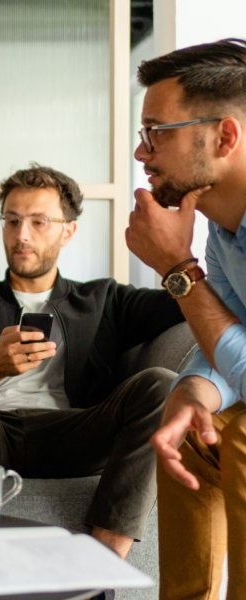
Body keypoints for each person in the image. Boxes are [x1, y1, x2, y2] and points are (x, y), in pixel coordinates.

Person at [0, 164, 185, 560]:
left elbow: (184, 304)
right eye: (11, 220)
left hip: (75, 433)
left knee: (163, 383)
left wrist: (176, 255)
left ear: (68, 230)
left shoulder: (104, 299)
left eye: (39, 221)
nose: (21, 235)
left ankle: (101, 563)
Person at [127, 39, 246, 600]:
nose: (141, 153)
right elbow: (224, 335)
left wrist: (178, 268)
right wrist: (192, 393)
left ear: (225, 136)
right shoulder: (225, 229)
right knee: (191, 436)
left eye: (158, 132)